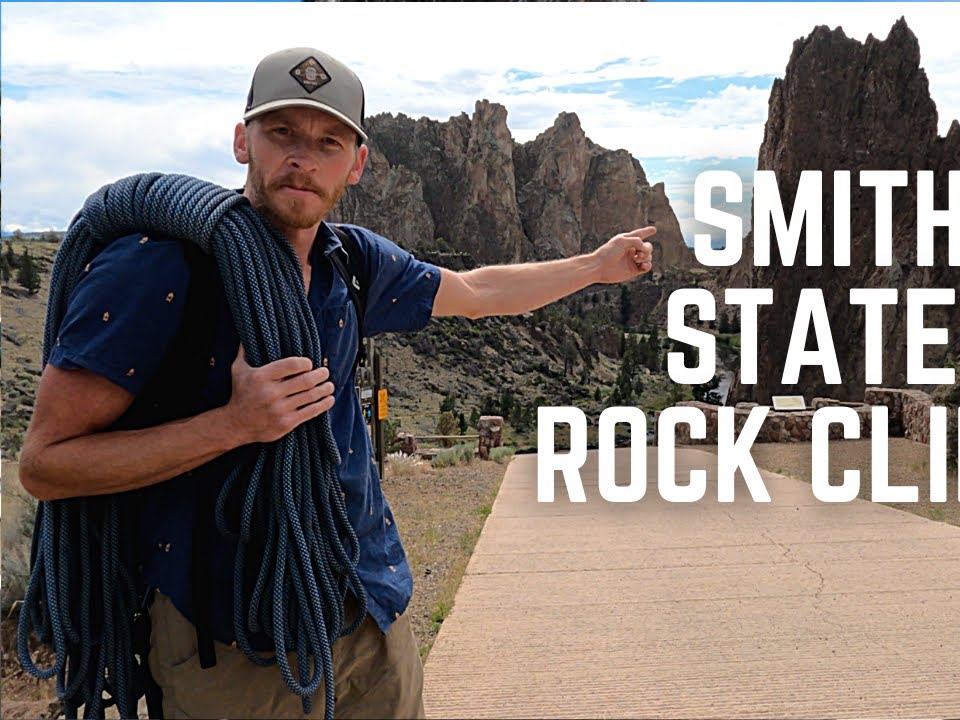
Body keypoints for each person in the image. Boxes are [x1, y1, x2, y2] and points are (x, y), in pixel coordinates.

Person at [18, 47, 655, 718]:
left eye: (328, 141)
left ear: (356, 163)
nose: (304, 157)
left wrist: (594, 264)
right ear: (243, 141)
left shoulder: (350, 262)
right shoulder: (157, 270)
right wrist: (232, 425)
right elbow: (47, 465)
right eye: (282, 133)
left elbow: (474, 290)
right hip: (231, 644)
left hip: (367, 614)